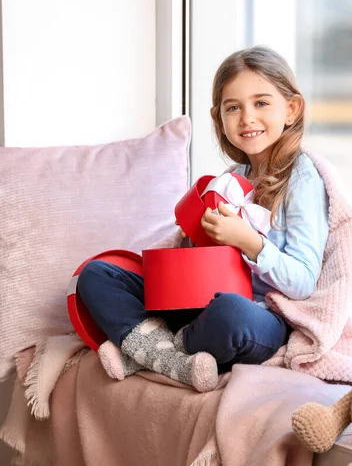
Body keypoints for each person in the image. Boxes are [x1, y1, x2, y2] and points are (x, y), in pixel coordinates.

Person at [77, 45, 329, 392]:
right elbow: (207, 268)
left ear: (291, 109)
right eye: (233, 108)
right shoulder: (231, 178)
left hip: (262, 318)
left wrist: (248, 241)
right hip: (202, 301)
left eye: (261, 103)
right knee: (97, 274)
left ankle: (149, 350)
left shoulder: (301, 178)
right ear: (219, 119)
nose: (247, 118)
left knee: (231, 314)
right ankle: (172, 357)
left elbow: (303, 282)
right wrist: (193, 243)